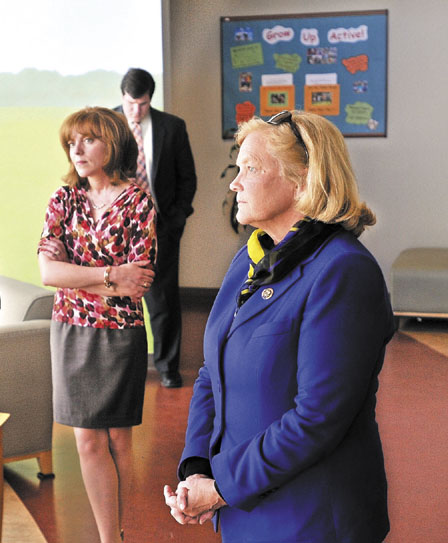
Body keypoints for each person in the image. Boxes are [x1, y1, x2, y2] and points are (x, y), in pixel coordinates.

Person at [163, 110, 393, 542]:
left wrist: (222, 488)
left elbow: (317, 417)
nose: (235, 183)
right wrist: (197, 467)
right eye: (238, 167)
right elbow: (212, 372)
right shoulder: (251, 257)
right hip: (245, 511)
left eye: (250, 169)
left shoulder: (343, 271)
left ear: (302, 181)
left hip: (312, 521)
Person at [38, 106, 156, 543]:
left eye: (87, 139)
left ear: (111, 141)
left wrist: (82, 277)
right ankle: (111, 538)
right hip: (71, 328)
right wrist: (110, 276)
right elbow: (49, 273)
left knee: (119, 442)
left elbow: (138, 283)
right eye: (72, 142)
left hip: (121, 331)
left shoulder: (138, 200)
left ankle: (124, 530)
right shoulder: (63, 199)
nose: (77, 148)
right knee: (88, 441)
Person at [114, 67, 196, 388]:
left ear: (151, 98)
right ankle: (123, 368)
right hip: (116, 229)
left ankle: (167, 367)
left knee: (163, 300)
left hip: (160, 227)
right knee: (118, 300)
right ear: (122, 97)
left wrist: (175, 222)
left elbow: (187, 178)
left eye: (143, 104)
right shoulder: (107, 124)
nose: (136, 111)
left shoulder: (172, 128)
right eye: (131, 103)